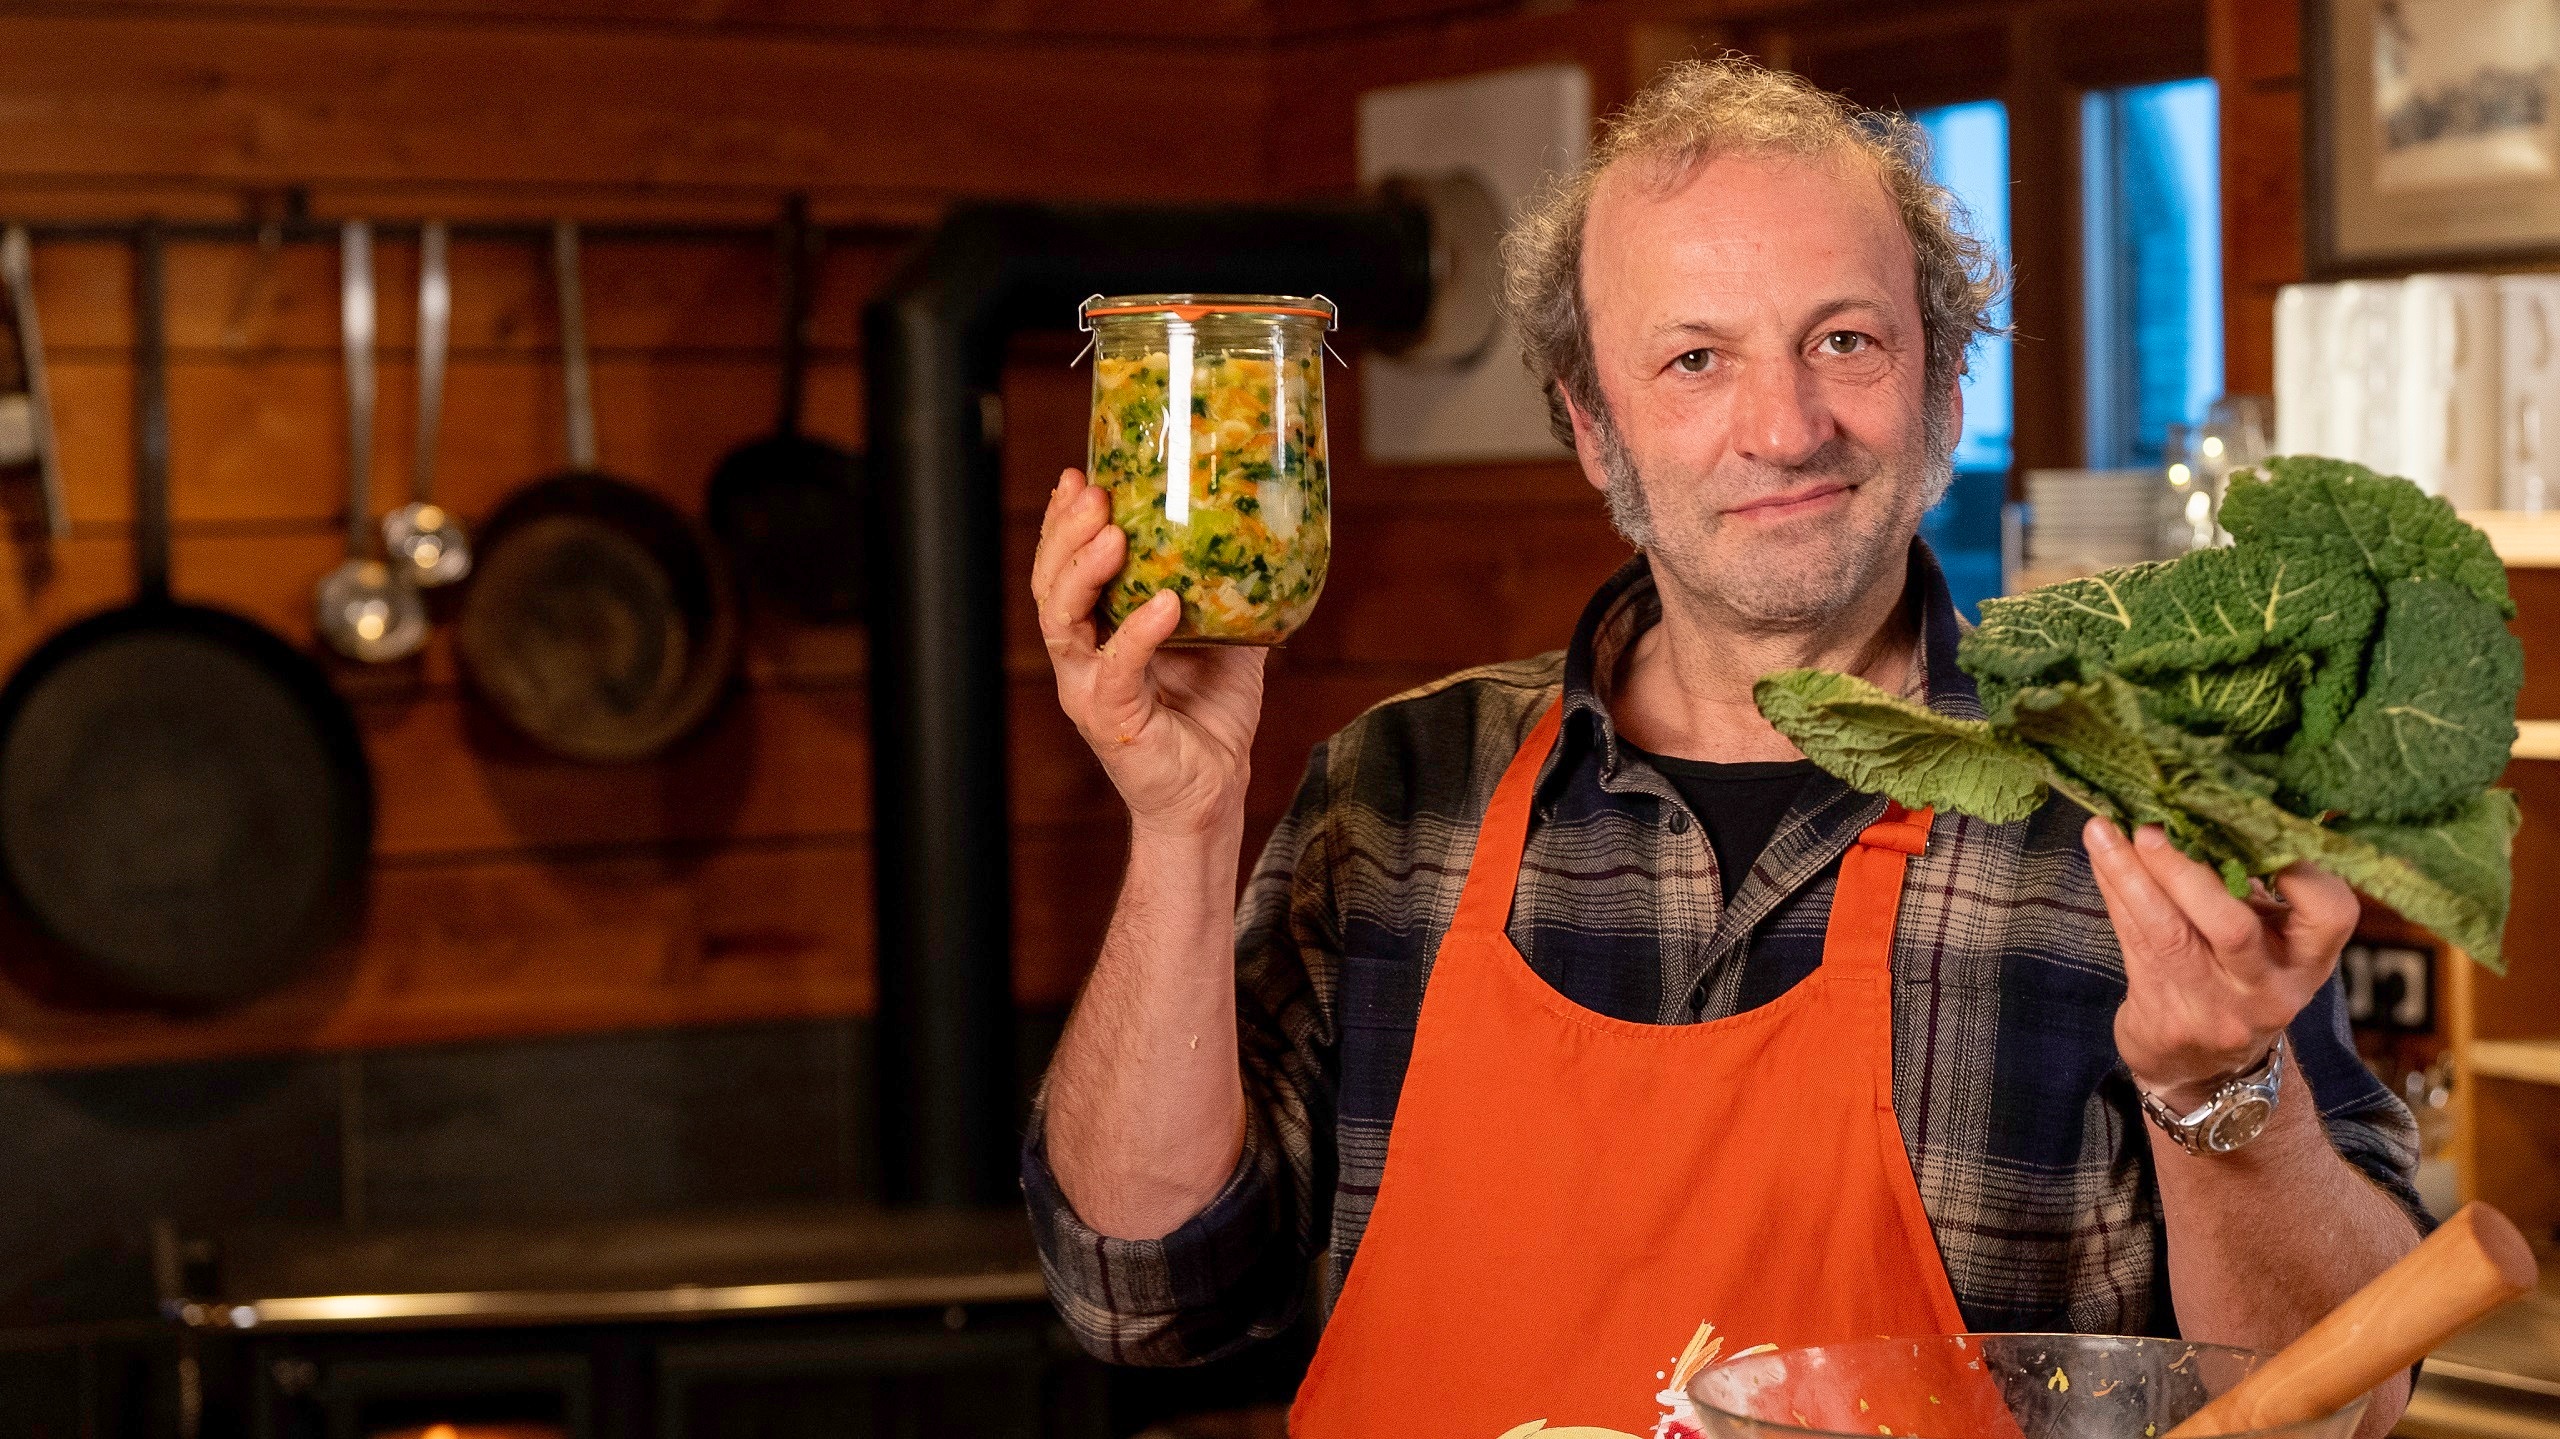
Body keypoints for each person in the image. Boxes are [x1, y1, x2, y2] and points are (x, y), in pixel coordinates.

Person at [1022, 58, 2426, 1439]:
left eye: (1846, 342)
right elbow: (1142, 1293)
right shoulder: (1397, 792)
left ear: (1942, 393)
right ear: (1593, 427)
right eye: (1697, 360)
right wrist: (1183, 828)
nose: (1786, 427)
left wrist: (2221, 1090)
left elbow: (2340, 1401)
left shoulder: (2132, 819)